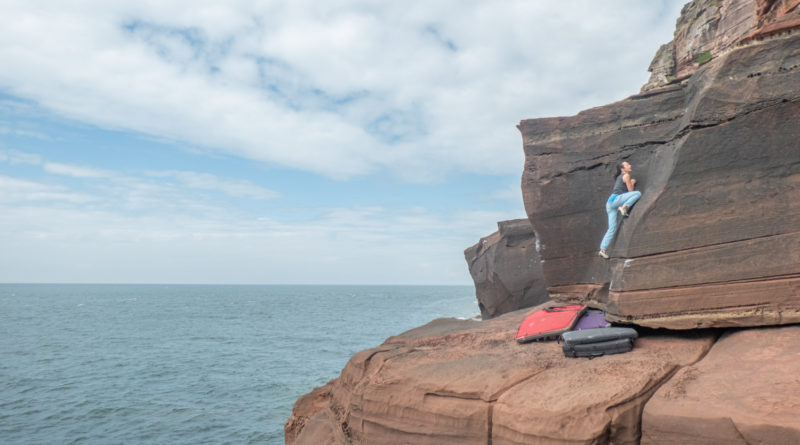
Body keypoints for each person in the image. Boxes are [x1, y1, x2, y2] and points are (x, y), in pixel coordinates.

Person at [598, 161, 641, 259]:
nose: (630, 165)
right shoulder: (626, 175)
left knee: (612, 228)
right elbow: (631, 191)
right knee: (638, 193)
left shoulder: (620, 177)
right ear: (623, 169)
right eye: (627, 165)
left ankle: (602, 250)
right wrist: (632, 182)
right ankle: (624, 207)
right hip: (617, 200)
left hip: (610, 202)